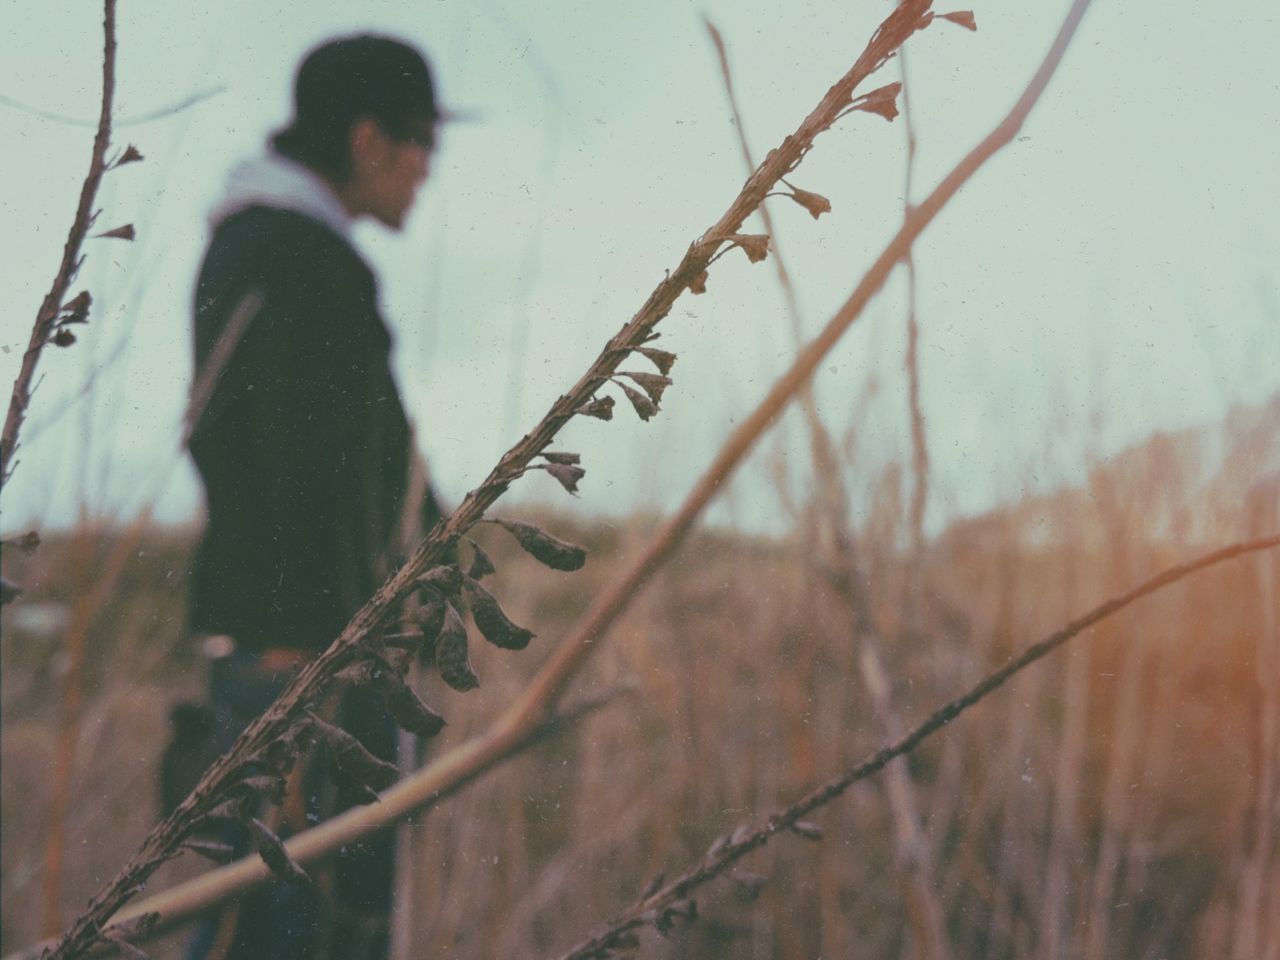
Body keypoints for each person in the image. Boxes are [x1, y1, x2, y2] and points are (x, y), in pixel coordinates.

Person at [175, 34, 451, 960]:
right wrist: (318, 662)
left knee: (270, 926)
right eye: (422, 140)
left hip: (292, 662)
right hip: (302, 671)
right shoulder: (299, 262)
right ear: (367, 139)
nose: (429, 166)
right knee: (290, 933)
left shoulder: (273, 250)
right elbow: (303, 479)